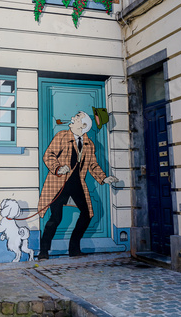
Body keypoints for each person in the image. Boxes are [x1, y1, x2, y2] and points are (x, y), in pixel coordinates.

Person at [38, 111, 118, 259]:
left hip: (77, 184)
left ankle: (74, 249)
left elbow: (93, 164)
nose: (73, 118)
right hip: (59, 183)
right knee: (56, 217)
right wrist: (58, 168)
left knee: (87, 214)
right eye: (74, 116)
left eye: (77, 117)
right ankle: (43, 251)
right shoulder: (61, 136)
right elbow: (48, 155)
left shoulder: (88, 143)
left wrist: (104, 178)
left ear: (84, 125)